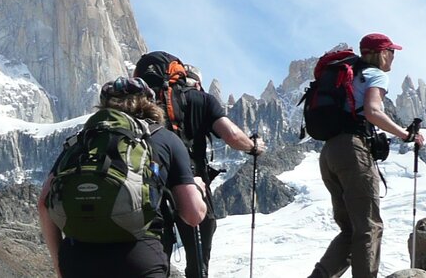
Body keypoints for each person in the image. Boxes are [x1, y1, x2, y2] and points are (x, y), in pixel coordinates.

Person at [37, 76, 209, 278]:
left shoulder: (81, 141)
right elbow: (192, 215)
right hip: (139, 259)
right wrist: (197, 187)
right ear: (150, 103)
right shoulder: (164, 138)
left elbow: (43, 203)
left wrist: (60, 264)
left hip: (77, 259)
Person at [133, 51, 267, 278]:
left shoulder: (138, 103)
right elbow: (232, 136)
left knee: (155, 255)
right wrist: (253, 147)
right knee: (198, 259)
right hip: (191, 183)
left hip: (148, 185)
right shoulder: (200, 98)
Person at [308, 33, 425, 278]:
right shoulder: (376, 74)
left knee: (349, 230)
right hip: (353, 150)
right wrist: (406, 135)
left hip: (329, 152)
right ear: (382, 53)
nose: (393, 57)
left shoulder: (347, 75)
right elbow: (372, 111)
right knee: (368, 227)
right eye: (391, 52)